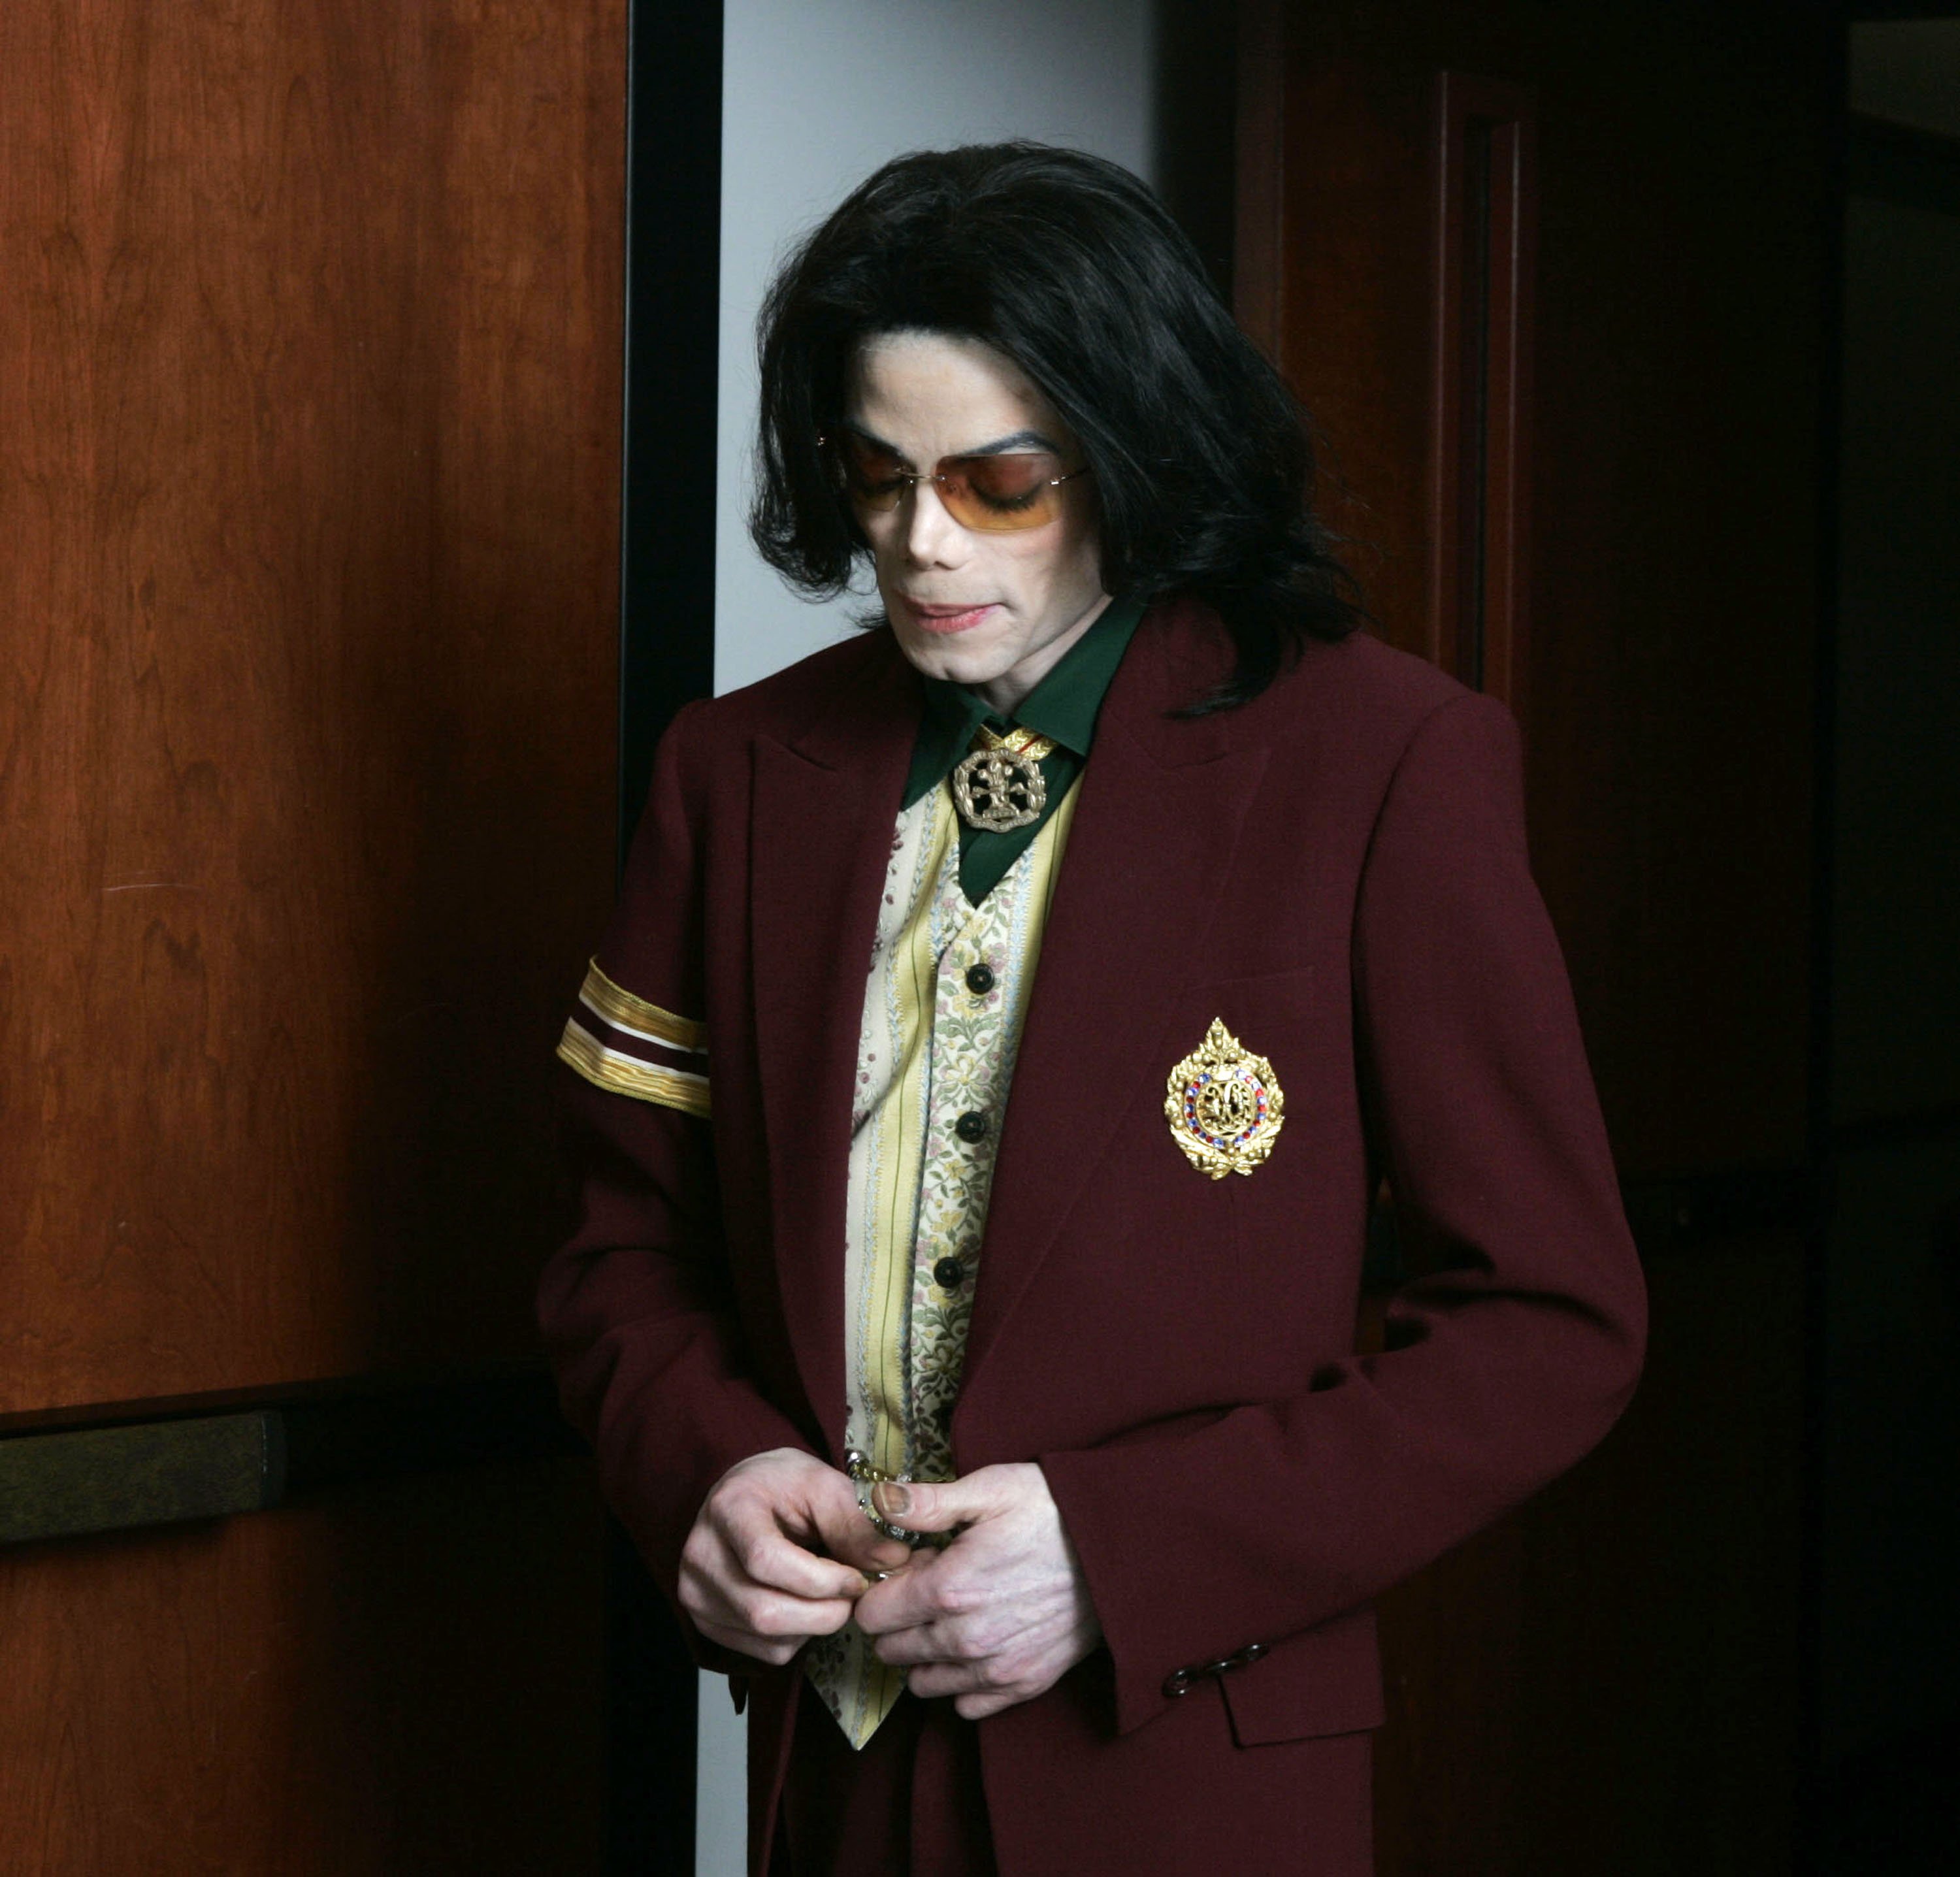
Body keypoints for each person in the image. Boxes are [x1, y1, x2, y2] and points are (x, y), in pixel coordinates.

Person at [538, 142, 1646, 1876]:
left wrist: (1118, 1553)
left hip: (1189, 1772)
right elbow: (621, 1249)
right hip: (826, 1778)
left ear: (1131, 455)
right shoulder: (732, 770)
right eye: (877, 473)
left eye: (1000, 481)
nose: (917, 542)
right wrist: (706, 1469)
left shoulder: (1386, 760)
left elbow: (1552, 1321)